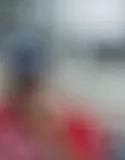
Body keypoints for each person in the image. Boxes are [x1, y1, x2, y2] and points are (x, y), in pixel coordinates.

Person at [0, 30, 109, 160]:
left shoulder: (78, 124)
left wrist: (48, 133)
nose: (26, 94)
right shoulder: (4, 119)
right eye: (20, 83)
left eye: (32, 83)